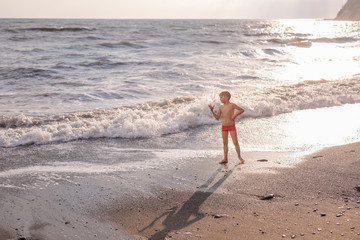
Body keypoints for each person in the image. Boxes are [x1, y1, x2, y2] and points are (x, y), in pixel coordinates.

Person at [208, 91, 245, 164]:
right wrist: (212, 110)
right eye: (220, 98)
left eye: (221, 97)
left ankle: (239, 157)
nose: (220, 99)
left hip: (231, 126)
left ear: (226, 97)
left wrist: (235, 115)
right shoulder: (221, 107)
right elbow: (217, 118)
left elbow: (242, 110)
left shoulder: (232, 105)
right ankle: (225, 158)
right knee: (225, 143)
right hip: (224, 126)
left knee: (235, 142)